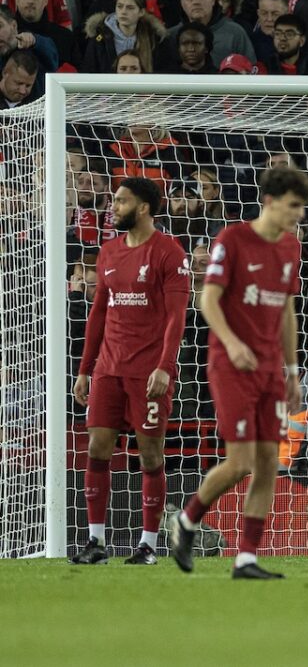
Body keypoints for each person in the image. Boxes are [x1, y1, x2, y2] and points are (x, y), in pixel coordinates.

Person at [170, 166, 308, 580]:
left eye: (302, 208)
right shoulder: (231, 239)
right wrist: (233, 343)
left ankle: (246, 558)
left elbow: (286, 310)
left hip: (270, 367)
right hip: (231, 365)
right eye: (292, 206)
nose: (298, 215)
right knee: (240, 462)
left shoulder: (290, 248)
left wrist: (291, 369)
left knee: (269, 462)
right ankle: (188, 519)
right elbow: (207, 300)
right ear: (269, 202)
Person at [69, 177, 191, 566]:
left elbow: (176, 319)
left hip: (148, 372)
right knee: (98, 449)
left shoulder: (169, 253)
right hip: (108, 369)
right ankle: (95, 543)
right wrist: (85, 370)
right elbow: (98, 315)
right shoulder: (107, 252)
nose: (113, 207)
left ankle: (149, 545)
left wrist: (164, 368)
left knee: (150, 457)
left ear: (142, 207)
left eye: (120, 201)